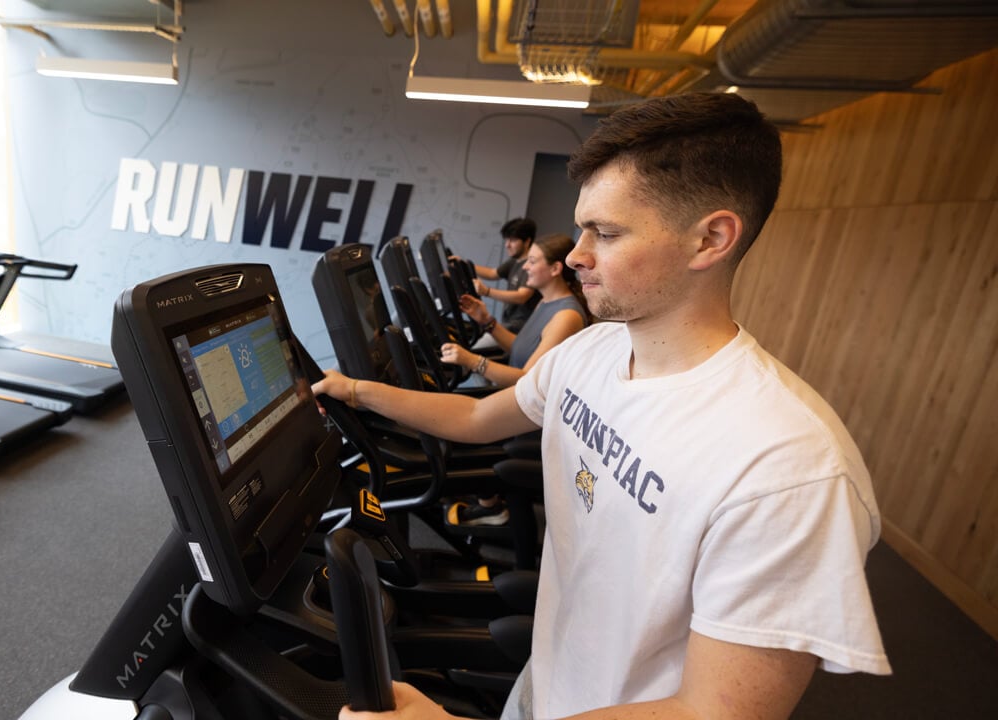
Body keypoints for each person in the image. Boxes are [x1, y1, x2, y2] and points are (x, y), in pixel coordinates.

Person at [318, 92, 890, 720]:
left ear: (712, 239)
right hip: (547, 686)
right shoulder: (593, 350)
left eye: (607, 233)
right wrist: (356, 390)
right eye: (583, 226)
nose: (574, 256)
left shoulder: (789, 468)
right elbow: (479, 419)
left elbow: (714, 712)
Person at [439, 233, 588, 526]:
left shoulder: (566, 315)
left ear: (556, 269)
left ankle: (491, 505)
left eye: (532, 262)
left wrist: (472, 361)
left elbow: (525, 378)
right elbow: (521, 349)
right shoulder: (546, 303)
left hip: (533, 418)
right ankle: (489, 502)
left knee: (461, 427)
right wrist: (487, 321)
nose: (525, 269)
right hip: (521, 404)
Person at [460, 218, 540, 333]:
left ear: (527, 241)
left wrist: (487, 291)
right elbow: (492, 273)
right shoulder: (515, 261)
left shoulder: (529, 265)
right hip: (509, 322)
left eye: (512, 240)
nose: (507, 245)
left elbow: (522, 296)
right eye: (507, 240)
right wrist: (463, 264)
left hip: (519, 328)